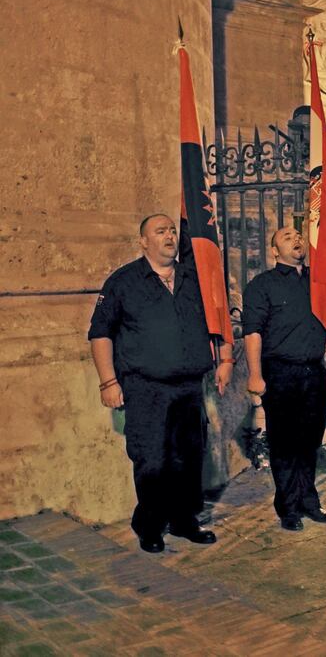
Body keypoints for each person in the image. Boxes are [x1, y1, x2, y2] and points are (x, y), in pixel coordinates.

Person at [88, 214, 232, 554]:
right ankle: (150, 526)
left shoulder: (193, 279)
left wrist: (226, 360)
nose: (169, 236)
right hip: (145, 388)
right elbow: (100, 333)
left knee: (188, 458)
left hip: (188, 386)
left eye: (171, 230)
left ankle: (184, 522)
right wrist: (108, 382)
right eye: (160, 231)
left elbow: (220, 320)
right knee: (152, 460)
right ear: (143, 241)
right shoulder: (123, 282)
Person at [242, 226, 326, 531]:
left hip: (313, 373)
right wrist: (256, 375)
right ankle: (288, 507)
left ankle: (309, 502)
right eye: (287, 237)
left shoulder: (318, 281)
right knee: (284, 444)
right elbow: (253, 332)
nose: (297, 239)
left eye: (299, 235)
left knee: (310, 443)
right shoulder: (262, 286)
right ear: (274, 251)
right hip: (280, 373)